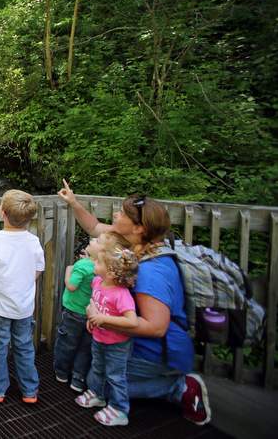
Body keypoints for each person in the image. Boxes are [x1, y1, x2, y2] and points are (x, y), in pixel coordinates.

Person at [57, 179, 211, 425]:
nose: (116, 213)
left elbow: (157, 327)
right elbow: (95, 226)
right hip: (129, 340)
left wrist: (104, 321)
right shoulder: (131, 247)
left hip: (158, 352)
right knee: (93, 374)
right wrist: (74, 202)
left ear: (139, 228)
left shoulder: (153, 271)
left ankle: (179, 387)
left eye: (122, 212)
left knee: (103, 384)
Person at [0, 189, 45, 403]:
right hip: (23, 307)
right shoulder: (33, 241)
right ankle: (29, 390)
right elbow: (38, 270)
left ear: (2, 213)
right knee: (24, 346)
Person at [54, 232, 130, 392]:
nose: (92, 239)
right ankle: (78, 379)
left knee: (66, 343)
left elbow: (72, 286)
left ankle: (61, 373)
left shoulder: (83, 266)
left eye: (97, 240)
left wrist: (69, 270)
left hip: (74, 312)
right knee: (84, 348)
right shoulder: (102, 275)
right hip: (91, 317)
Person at [75, 236, 139, 426]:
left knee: (115, 376)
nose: (94, 262)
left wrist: (103, 319)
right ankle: (98, 394)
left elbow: (132, 321)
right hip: (99, 336)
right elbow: (93, 303)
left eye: (98, 261)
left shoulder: (121, 295)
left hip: (117, 344)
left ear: (110, 272)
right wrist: (92, 317)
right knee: (98, 367)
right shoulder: (97, 282)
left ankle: (120, 409)